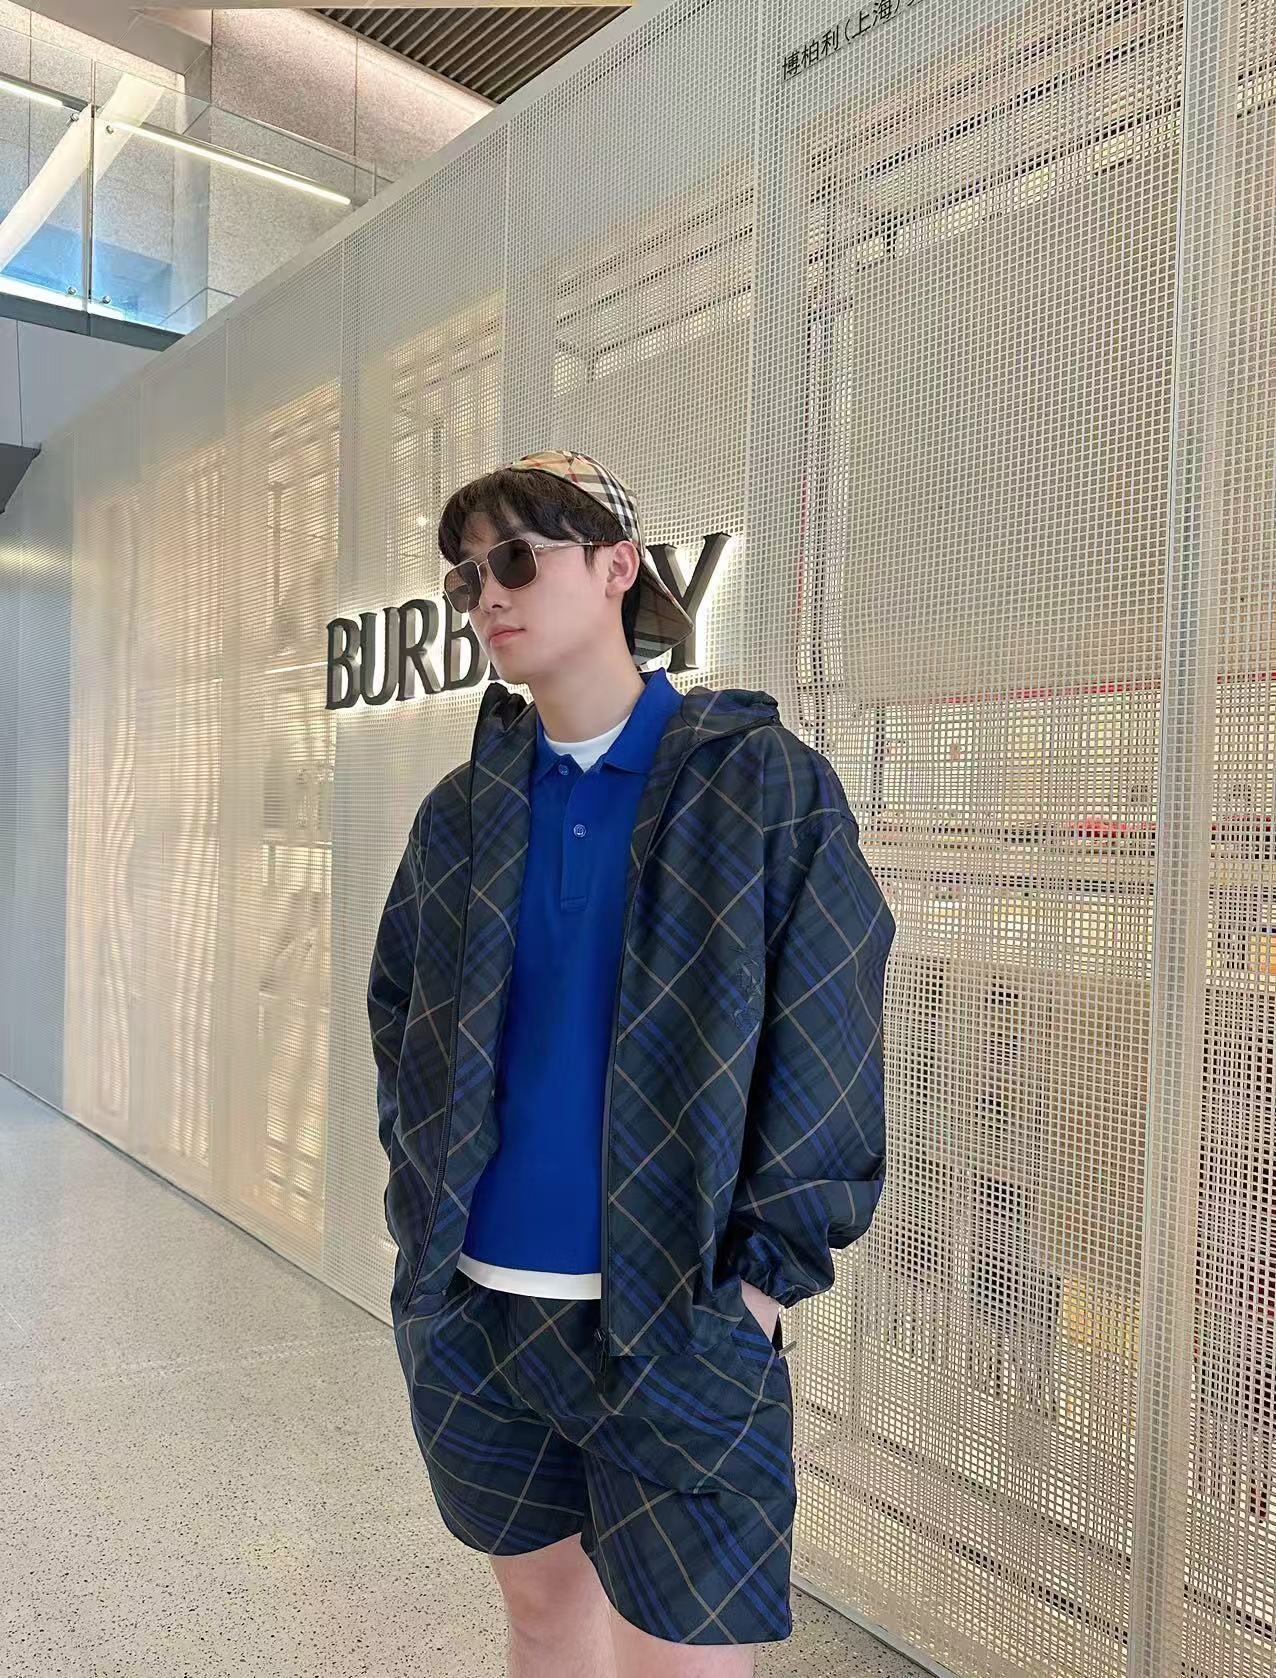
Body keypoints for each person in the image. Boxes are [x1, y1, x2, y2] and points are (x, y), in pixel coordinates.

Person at [368, 447, 895, 1677]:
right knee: (541, 1619)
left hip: (678, 1319)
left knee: (683, 1658)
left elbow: (829, 1031)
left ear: (617, 568)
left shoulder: (758, 786)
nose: (488, 594)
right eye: (465, 577)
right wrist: (421, 1231)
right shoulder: (464, 810)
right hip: (480, 1312)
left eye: (515, 557)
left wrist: (757, 1289)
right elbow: (403, 1021)